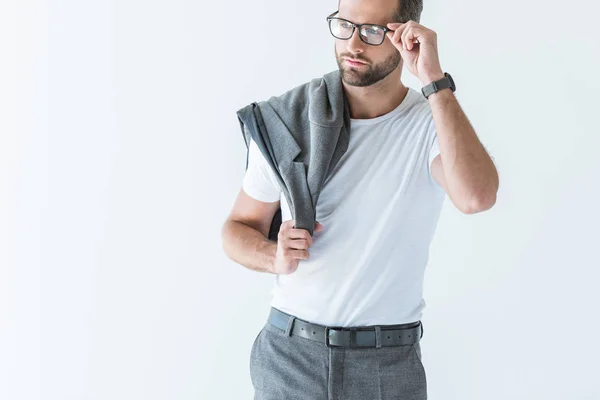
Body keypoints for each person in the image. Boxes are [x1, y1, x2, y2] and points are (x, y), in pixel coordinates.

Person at [221, 0, 499, 398]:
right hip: (289, 356)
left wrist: (435, 80)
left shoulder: (429, 124)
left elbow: (476, 197)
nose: (353, 44)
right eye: (344, 26)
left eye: (371, 31)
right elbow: (237, 228)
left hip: (388, 363)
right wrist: (273, 256)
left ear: (407, 35)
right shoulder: (290, 121)